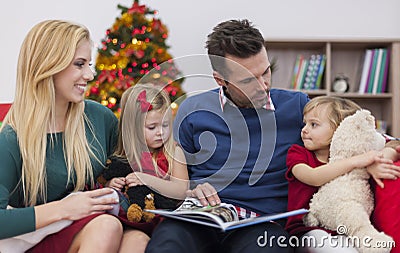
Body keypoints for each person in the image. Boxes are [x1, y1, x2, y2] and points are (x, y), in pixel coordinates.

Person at [146, 19, 309, 253]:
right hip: (200, 217)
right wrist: (191, 191)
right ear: (220, 80)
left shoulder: (298, 107)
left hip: (262, 223)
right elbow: (178, 179)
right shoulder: (192, 110)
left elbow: (355, 130)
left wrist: (382, 148)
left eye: (265, 72)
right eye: (248, 80)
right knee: (167, 244)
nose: (263, 86)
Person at [0, 20, 123, 252]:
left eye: (89, 64)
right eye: (79, 64)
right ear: (48, 65)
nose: (89, 74)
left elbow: (132, 175)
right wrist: (64, 208)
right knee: (106, 227)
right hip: (32, 240)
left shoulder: (101, 118)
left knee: (136, 240)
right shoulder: (11, 139)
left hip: (89, 226)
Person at [285, 96, 400, 252]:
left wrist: (378, 160)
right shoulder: (298, 153)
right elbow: (313, 177)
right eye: (305, 123)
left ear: (340, 128)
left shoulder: (355, 151)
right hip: (308, 228)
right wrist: (358, 161)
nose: (304, 130)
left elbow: (394, 143)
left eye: (314, 124)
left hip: (347, 226)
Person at [103, 84, 189, 252]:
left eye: (165, 125)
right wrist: (112, 184)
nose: (160, 133)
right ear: (133, 128)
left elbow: (180, 190)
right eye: (152, 127)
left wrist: (148, 180)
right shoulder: (124, 156)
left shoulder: (173, 152)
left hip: (163, 221)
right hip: (130, 220)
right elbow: (107, 183)